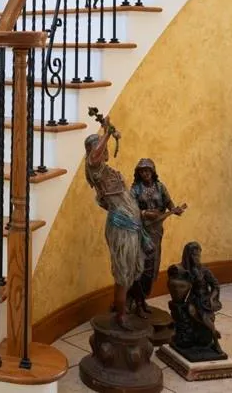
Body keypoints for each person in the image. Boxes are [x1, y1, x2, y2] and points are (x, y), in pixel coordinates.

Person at [83, 118, 147, 329]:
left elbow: (106, 200)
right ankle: (121, 315)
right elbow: (94, 156)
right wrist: (107, 133)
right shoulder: (95, 169)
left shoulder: (108, 171)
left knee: (132, 268)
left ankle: (121, 305)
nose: (104, 151)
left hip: (132, 224)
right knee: (123, 272)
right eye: (101, 148)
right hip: (121, 227)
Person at [129, 158, 187, 312]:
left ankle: (143, 299)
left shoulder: (160, 187)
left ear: (153, 171)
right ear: (138, 173)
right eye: (142, 171)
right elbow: (129, 208)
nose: (145, 173)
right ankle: (135, 300)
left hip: (156, 231)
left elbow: (168, 202)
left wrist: (175, 210)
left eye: (147, 170)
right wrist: (144, 213)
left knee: (152, 265)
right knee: (141, 265)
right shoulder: (135, 189)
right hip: (141, 231)